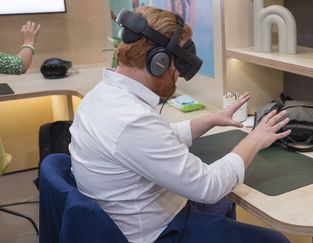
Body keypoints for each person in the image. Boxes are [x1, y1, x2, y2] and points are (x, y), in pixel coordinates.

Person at [69, 6, 291, 243]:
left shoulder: (102, 95)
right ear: (159, 61)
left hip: (132, 217)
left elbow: (156, 140)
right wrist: (254, 140)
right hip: (158, 233)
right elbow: (210, 186)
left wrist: (211, 119)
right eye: (178, 66)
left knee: (224, 205)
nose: (178, 76)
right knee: (276, 240)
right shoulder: (133, 121)